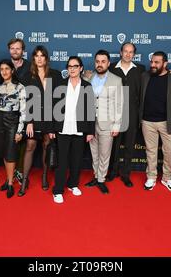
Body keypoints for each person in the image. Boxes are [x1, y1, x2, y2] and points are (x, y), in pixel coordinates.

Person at [49, 56, 95, 203]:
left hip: (79, 129)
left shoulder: (87, 86)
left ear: (81, 68)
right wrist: (51, 128)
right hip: (62, 129)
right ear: (67, 69)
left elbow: (90, 110)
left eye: (75, 66)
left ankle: (73, 184)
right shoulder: (60, 85)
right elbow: (52, 108)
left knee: (76, 160)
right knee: (62, 162)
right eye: (70, 66)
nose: (72, 69)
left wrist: (90, 131)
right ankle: (58, 190)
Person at [19, 45, 62, 196]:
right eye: (36, 56)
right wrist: (29, 121)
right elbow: (24, 101)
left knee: (46, 145)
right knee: (30, 145)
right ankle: (24, 180)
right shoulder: (27, 76)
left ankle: (44, 176)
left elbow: (60, 99)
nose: (39, 58)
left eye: (42, 55)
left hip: (50, 118)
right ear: (33, 58)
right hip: (33, 117)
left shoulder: (55, 75)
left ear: (46, 58)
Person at [139, 51, 171, 192]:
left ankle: (167, 178)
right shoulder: (145, 76)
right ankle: (151, 176)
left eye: (157, 62)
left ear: (165, 63)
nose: (153, 65)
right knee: (151, 151)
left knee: (169, 151)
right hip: (147, 121)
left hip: (166, 121)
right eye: (152, 62)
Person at [84, 50, 123, 194]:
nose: (100, 64)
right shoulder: (88, 77)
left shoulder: (116, 80)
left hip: (108, 123)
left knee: (104, 154)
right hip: (90, 123)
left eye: (103, 61)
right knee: (94, 152)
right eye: (97, 61)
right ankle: (96, 176)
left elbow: (119, 104)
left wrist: (117, 124)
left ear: (108, 63)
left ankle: (101, 179)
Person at [107, 42, 145, 187]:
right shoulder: (111, 68)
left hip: (132, 114)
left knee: (129, 146)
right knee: (114, 145)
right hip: (114, 115)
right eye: (125, 51)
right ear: (121, 52)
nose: (128, 54)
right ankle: (112, 172)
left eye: (131, 52)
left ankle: (126, 175)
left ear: (134, 54)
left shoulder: (140, 69)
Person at [0, 59, 26, 198]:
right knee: (5, 152)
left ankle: (11, 184)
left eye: (7, 68)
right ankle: (8, 179)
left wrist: (20, 130)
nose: (4, 71)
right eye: (2, 69)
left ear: (12, 70)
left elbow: (23, 111)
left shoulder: (20, 87)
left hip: (13, 121)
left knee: (11, 153)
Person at [7, 38, 31, 184]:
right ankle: (11, 172)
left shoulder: (30, 66)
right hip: (8, 112)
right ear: (9, 49)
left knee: (23, 143)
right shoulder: (4, 66)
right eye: (12, 48)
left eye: (18, 48)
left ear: (23, 51)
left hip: (25, 109)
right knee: (9, 143)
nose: (15, 51)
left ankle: (20, 172)